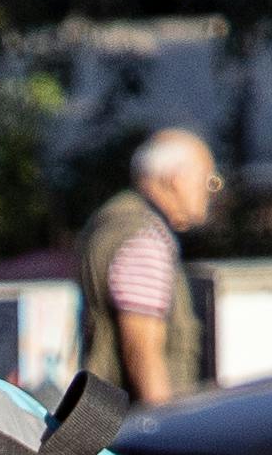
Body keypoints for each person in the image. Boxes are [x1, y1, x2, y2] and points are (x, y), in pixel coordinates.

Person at [76, 126, 220, 404]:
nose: (210, 192)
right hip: (132, 422)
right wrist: (166, 427)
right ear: (176, 179)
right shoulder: (144, 236)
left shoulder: (111, 219)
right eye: (209, 180)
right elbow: (142, 351)